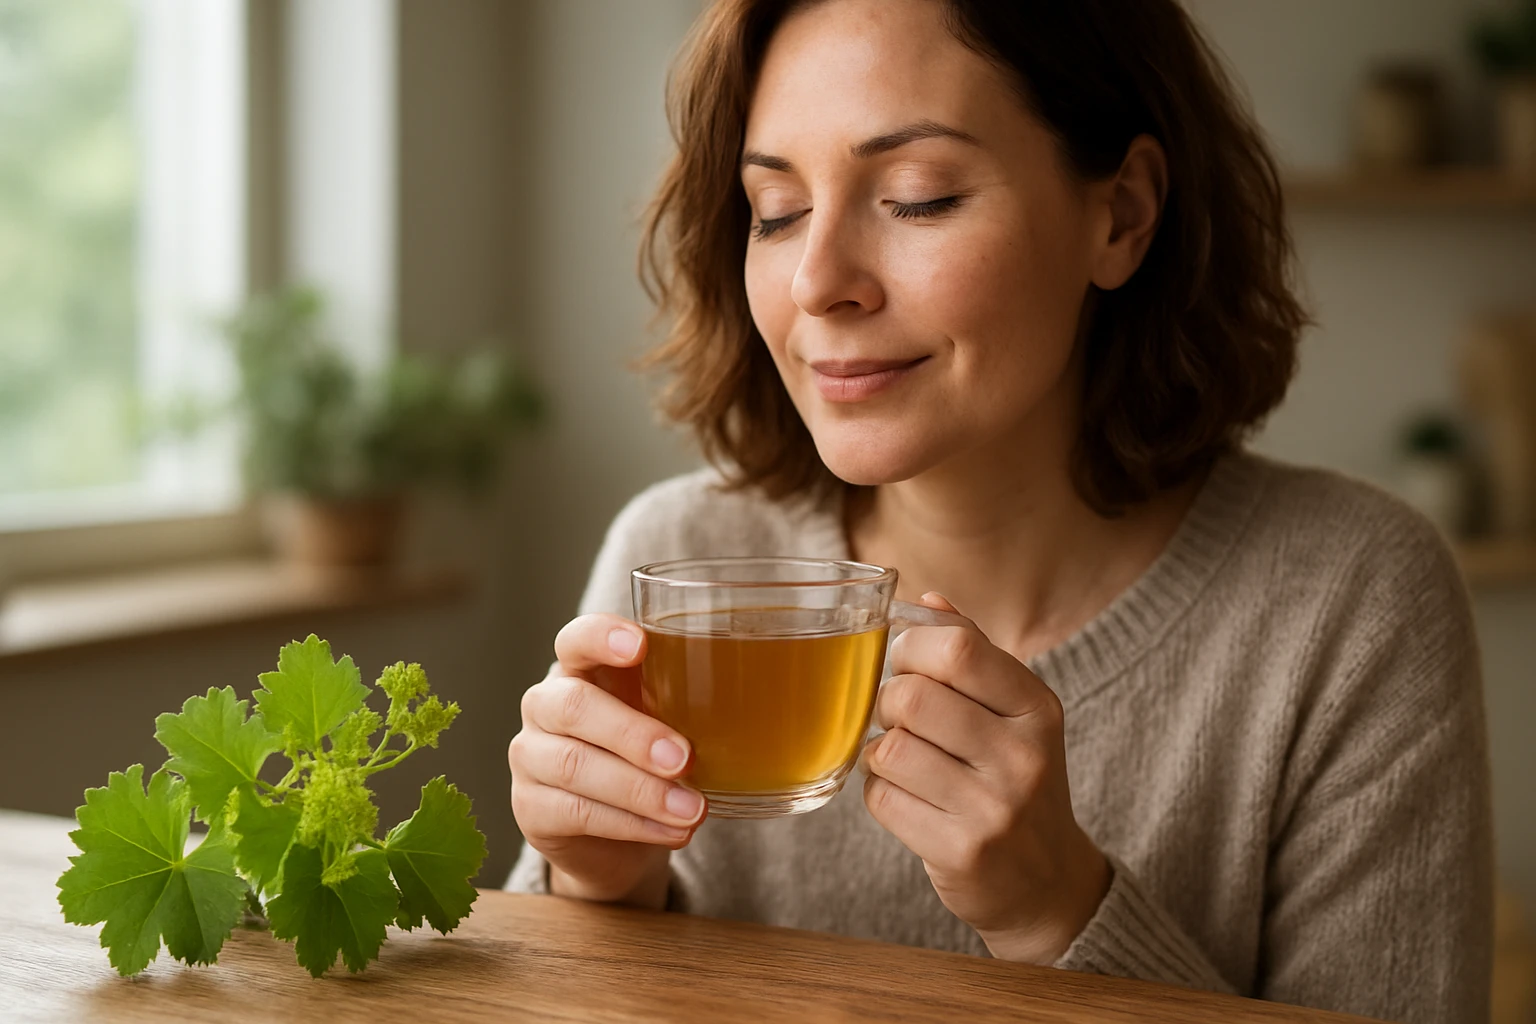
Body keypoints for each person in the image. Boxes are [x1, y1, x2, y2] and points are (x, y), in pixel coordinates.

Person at [506, 1, 1493, 1020]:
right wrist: (594, 887)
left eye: (919, 197)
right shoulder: (677, 557)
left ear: (1122, 216)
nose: (817, 282)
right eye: (776, 210)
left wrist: (1058, 913)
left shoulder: (1355, 602)